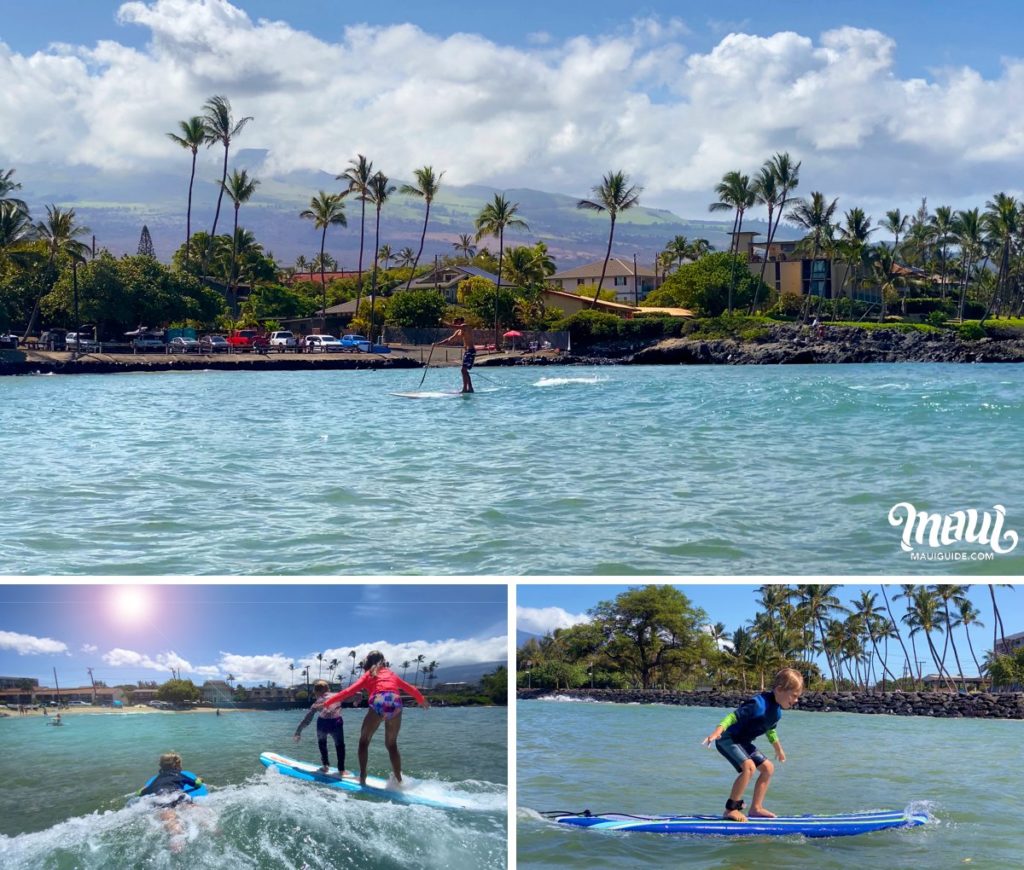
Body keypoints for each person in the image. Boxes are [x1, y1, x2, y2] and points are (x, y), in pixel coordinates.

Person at [702, 667, 804, 821]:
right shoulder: (757, 704)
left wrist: (779, 750)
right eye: (794, 695)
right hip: (728, 738)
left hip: (743, 742)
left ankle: (756, 808)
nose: (796, 700)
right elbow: (732, 717)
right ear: (779, 690)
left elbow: (771, 731)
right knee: (749, 767)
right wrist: (717, 731)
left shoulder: (777, 712)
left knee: (768, 768)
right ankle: (730, 809)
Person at [321, 651, 429, 787]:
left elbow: (348, 692)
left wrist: (326, 703)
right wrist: (421, 699)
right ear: (382, 661)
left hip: (379, 700)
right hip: (396, 702)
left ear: (368, 662)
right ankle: (399, 780)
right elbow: (410, 688)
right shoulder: (390, 674)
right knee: (391, 744)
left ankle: (362, 777)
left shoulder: (368, 675)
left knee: (364, 741)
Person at [138, 752, 204, 850]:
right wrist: (200, 779)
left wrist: (144, 788)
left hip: (160, 798)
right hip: (176, 795)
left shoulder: (157, 780)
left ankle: (176, 842)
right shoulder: (179, 775)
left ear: (161, 766)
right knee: (193, 809)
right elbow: (196, 784)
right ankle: (212, 827)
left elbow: (141, 793)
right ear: (178, 765)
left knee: (170, 819)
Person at [294, 679, 348, 775]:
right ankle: (341, 770)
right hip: (336, 722)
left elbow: (307, 719)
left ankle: (325, 766)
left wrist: (298, 731)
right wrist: (358, 697)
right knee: (340, 746)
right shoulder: (338, 695)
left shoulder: (317, 703)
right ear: (328, 689)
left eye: (315, 693)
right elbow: (352, 694)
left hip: (322, 723)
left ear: (317, 692)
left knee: (322, 744)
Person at [435, 317, 475, 393]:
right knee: (464, 370)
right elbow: (449, 339)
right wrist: (437, 344)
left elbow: (452, 326)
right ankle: (470, 388)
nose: (454, 324)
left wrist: (442, 321)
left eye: (455, 322)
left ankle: (465, 389)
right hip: (467, 352)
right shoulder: (458, 331)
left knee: (463, 370)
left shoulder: (465, 326)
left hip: (471, 350)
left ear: (459, 321)